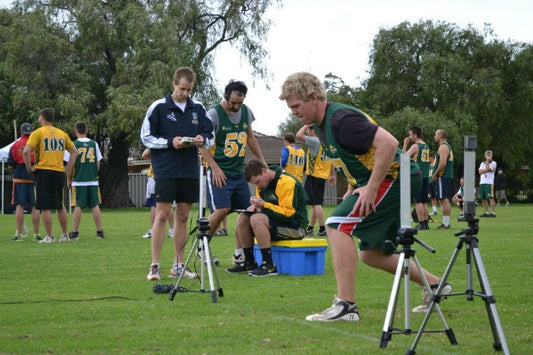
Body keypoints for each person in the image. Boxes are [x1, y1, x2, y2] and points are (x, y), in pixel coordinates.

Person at [279, 72, 451, 320]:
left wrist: (371, 187)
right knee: (370, 254)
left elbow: (389, 143)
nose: (293, 112)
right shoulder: (320, 123)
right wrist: (356, 186)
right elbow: (354, 159)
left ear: (313, 97)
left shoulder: (341, 119)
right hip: (394, 179)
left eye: (296, 106)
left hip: (396, 177)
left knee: (336, 225)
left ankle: (346, 306)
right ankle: (435, 285)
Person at [140, 66, 214, 281]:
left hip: (189, 170)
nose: (185, 93)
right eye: (182, 89)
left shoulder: (198, 108)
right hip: (165, 169)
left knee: (182, 216)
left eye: (189, 90)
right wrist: (170, 143)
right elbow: (146, 137)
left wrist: (201, 139)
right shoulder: (159, 107)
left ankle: (178, 265)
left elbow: (210, 135)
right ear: (174, 84)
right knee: (162, 214)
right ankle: (154, 265)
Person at [199, 80, 265, 265]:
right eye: (233, 102)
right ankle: (202, 248)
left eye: (240, 103)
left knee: (246, 211)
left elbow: (249, 136)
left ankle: (240, 253)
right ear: (226, 97)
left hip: (237, 172)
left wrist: (261, 160)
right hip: (220, 171)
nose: (236, 106)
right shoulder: (213, 114)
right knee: (221, 210)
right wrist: (215, 168)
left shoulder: (245, 112)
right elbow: (202, 145)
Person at [225, 158, 308, 277]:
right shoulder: (263, 185)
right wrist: (254, 207)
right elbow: (264, 209)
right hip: (277, 224)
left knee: (257, 219)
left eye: (258, 182)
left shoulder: (287, 182)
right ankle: (249, 262)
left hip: (295, 227)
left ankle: (269, 265)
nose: (257, 186)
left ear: (264, 171)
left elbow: (288, 214)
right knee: (243, 217)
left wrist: (264, 205)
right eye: (255, 184)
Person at [23, 108, 78, 243]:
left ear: (42, 118)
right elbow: (74, 152)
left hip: (43, 171)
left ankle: (49, 236)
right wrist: (68, 168)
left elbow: (26, 151)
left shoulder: (38, 133)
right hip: (58, 171)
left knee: (44, 206)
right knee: (59, 205)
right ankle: (65, 235)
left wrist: (29, 168)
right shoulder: (62, 134)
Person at [65, 121, 104, 240]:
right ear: (86, 130)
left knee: (78, 205)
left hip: (79, 180)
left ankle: (75, 232)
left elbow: (70, 164)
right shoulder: (94, 144)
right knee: (95, 205)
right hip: (92, 180)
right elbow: (98, 161)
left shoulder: (73, 144)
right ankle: (99, 232)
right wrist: (94, 174)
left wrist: (68, 179)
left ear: (75, 131)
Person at [296, 124, 335, 236]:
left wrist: (304, 125)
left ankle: (322, 228)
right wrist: (331, 175)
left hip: (314, 174)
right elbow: (331, 160)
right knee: (314, 203)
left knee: (316, 203)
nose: (307, 131)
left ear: (314, 130)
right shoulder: (326, 142)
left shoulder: (315, 141)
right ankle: (310, 228)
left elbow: (298, 135)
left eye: (308, 129)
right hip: (322, 175)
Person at [7, 122, 41, 241]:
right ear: (31, 132)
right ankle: (36, 235)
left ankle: (19, 234)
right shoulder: (36, 144)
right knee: (35, 207)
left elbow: (10, 163)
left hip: (19, 179)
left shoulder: (15, 145)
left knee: (19, 207)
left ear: (21, 132)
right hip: (33, 179)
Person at [141, 148, 174, 239]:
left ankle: (154, 230)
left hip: (157, 176)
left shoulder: (157, 144)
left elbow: (144, 154)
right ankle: (171, 230)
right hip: (167, 176)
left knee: (155, 204)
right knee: (165, 204)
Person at [402, 126, 431, 230]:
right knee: (423, 201)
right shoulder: (426, 145)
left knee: (418, 201)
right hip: (426, 175)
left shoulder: (415, 146)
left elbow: (404, 158)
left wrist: (405, 145)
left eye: (410, 134)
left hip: (417, 175)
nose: (409, 136)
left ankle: (421, 223)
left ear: (415, 135)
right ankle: (426, 222)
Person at [432, 129, 454, 229]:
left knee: (444, 199)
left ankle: (446, 223)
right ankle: (446, 222)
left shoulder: (443, 147)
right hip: (446, 176)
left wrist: (436, 174)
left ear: (440, 135)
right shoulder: (446, 146)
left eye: (436, 134)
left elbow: (443, 163)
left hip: (443, 176)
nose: (434, 136)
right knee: (443, 199)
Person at [478, 150, 497, 217]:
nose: (488, 156)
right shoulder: (482, 163)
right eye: (487, 155)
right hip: (482, 182)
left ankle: (493, 213)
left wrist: (488, 163)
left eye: (489, 155)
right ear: (485, 156)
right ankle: (486, 212)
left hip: (489, 183)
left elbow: (488, 169)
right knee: (483, 198)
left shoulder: (494, 163)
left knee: (490, 197)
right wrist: (485, 170)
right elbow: (480, 172)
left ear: (492, 155)